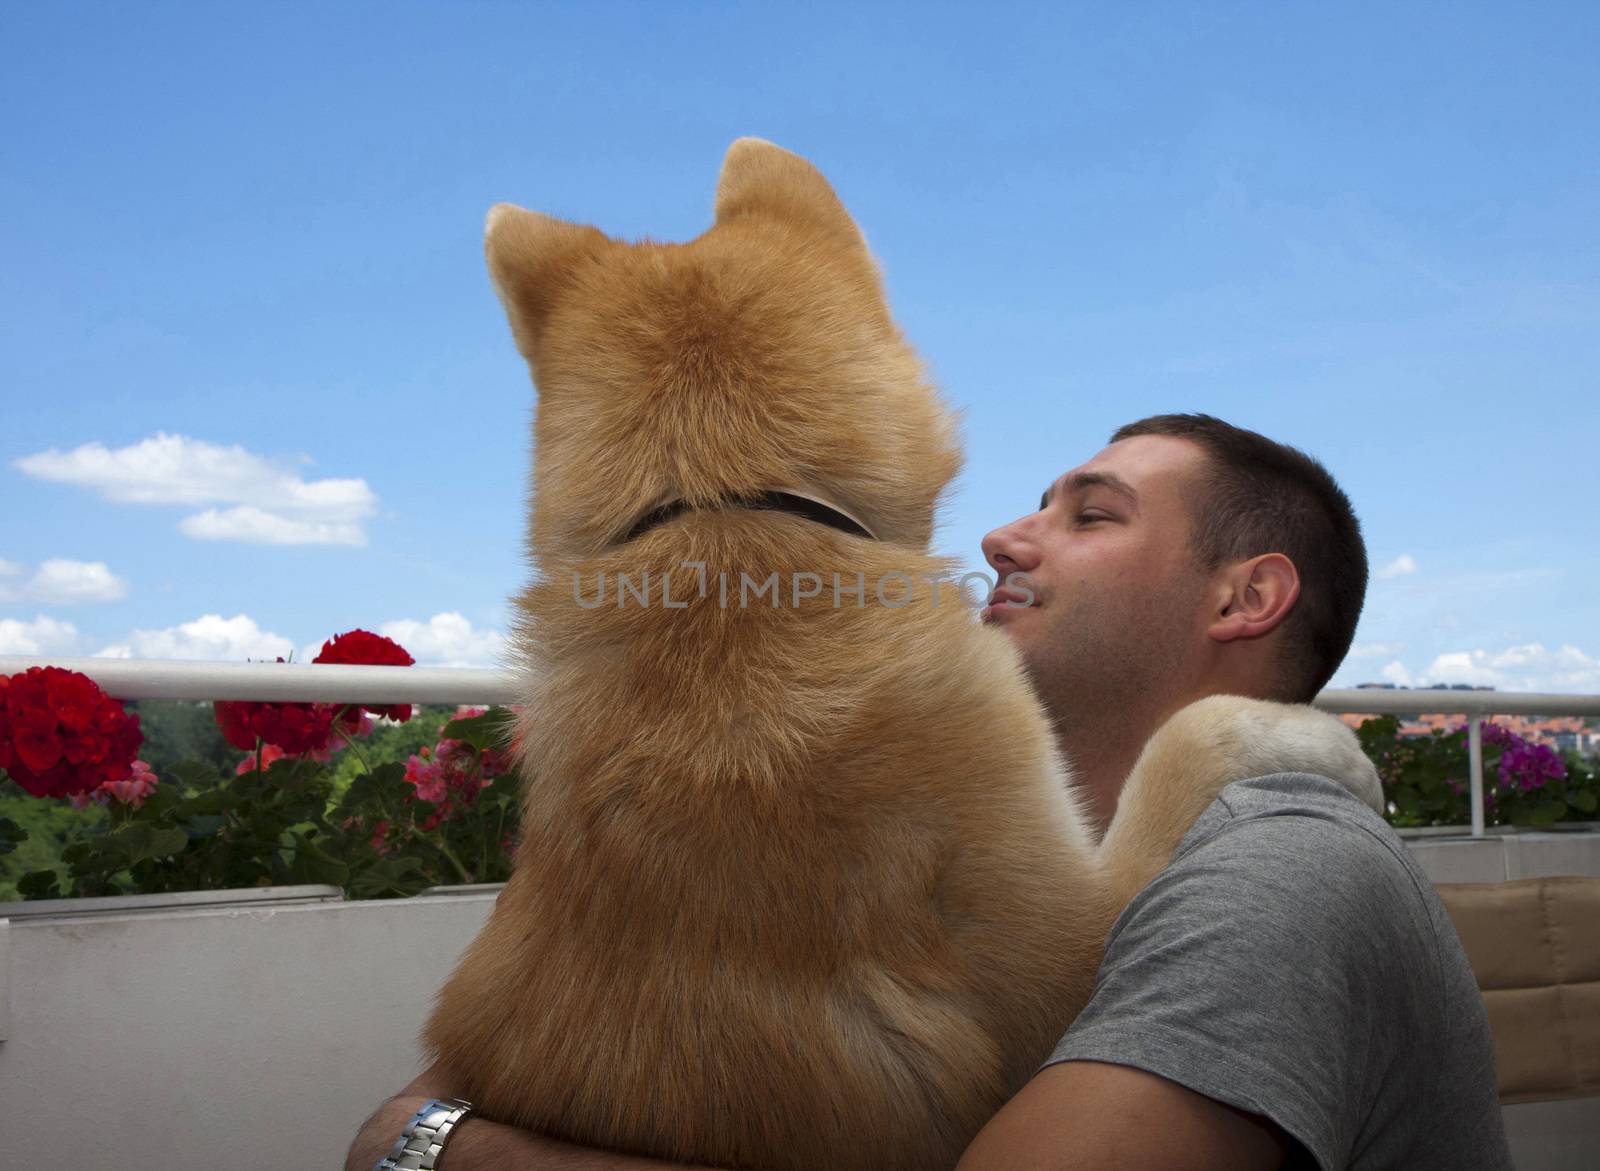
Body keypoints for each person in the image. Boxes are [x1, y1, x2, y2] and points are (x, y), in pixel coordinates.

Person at [347, 414, 1512, 1171]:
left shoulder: (1282, 868)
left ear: (1242, 597)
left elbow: (404, 1123)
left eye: (1089, 514)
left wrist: (433, 1146)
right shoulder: (948, 858)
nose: (1003, 538)